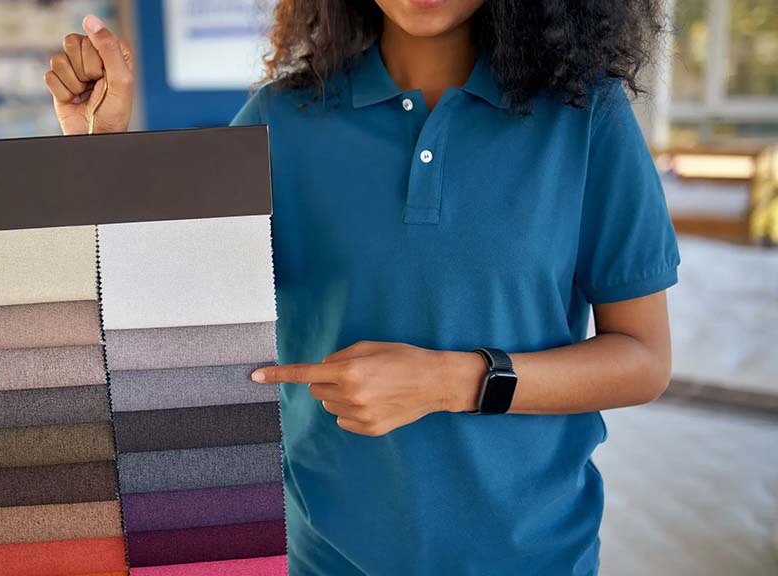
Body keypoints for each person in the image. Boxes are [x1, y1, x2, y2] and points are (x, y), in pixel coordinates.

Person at [44, 1, 679, 574]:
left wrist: (449, 381)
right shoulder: (277, 121)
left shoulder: (586, 116)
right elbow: (159, 314)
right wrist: (102, 147)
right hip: (322, 557)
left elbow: (643, 359)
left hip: (535, 555)